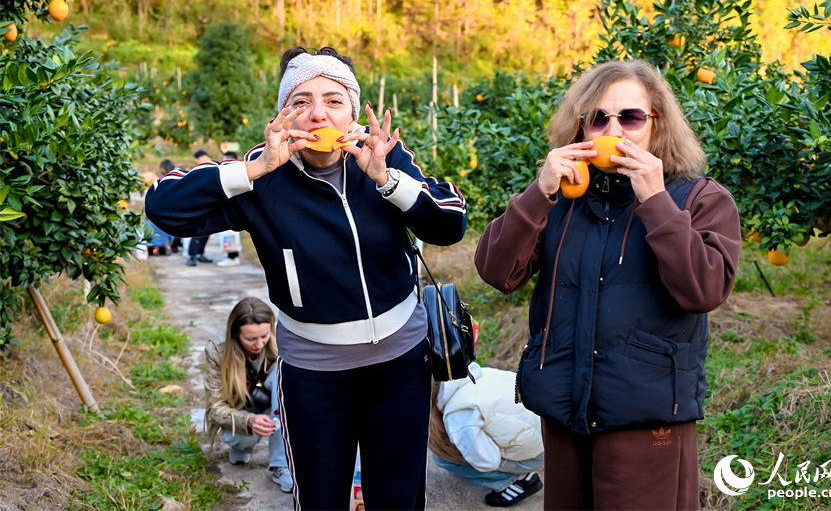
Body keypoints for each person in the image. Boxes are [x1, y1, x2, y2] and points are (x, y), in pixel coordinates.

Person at [146, 46, 467, 509]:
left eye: (334, 101)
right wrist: (253, 170)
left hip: (400, 365)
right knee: (320, 499)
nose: (318, 113)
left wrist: (388, 181)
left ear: (353, 113)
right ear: (284, 113)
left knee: (398, 498)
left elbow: (450, 224)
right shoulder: (264, 173)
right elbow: (163, 205)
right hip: (314, 372)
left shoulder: (382, 156)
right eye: (301, 101)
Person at [474, 60, 742, 510]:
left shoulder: (698, 199)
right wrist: (538, 194)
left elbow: (704, 290)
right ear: (581, 128)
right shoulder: (562, 198)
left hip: (644, 419)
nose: (613, 129)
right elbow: (497, 272)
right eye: (598, 118)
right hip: (564, 412)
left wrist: (655, 201)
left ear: (657, 126)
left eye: (631, 117)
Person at [203, 297, 294, 493]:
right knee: (241, 440)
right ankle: (242, 447)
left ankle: (282, 464)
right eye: (251, 339)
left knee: (283, 373)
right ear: (235, 334)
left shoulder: (281, 338)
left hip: (273, 400)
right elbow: (214, 408)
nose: (259, 344)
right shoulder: (217, 351)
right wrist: (249, 420)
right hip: (243, 409)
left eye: (264, 336)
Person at [429, 363, 544, 507]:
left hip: (538, 455)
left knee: (443, 459)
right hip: (550, 431)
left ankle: (519, 481)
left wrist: (465, 448)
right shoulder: (471, 374)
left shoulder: (457, 415)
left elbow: (489, 462)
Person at [186, 150, 215, 266]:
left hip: (209, 205)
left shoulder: (210, 169)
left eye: (205, 157)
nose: (204, 159)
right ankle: (192, 255)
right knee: (197, 232)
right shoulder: (194, 172)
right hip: (197, 206)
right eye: (201, 158)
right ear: (196, 160)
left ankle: (200, 253)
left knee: (207, 231)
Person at [217, 151, 243, 267]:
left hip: (230, 208)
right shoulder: (241, 170)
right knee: (232, 235)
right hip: (236, 209)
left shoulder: (232, 172)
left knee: (228, 235)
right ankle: (234, 256)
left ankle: (231, 257)